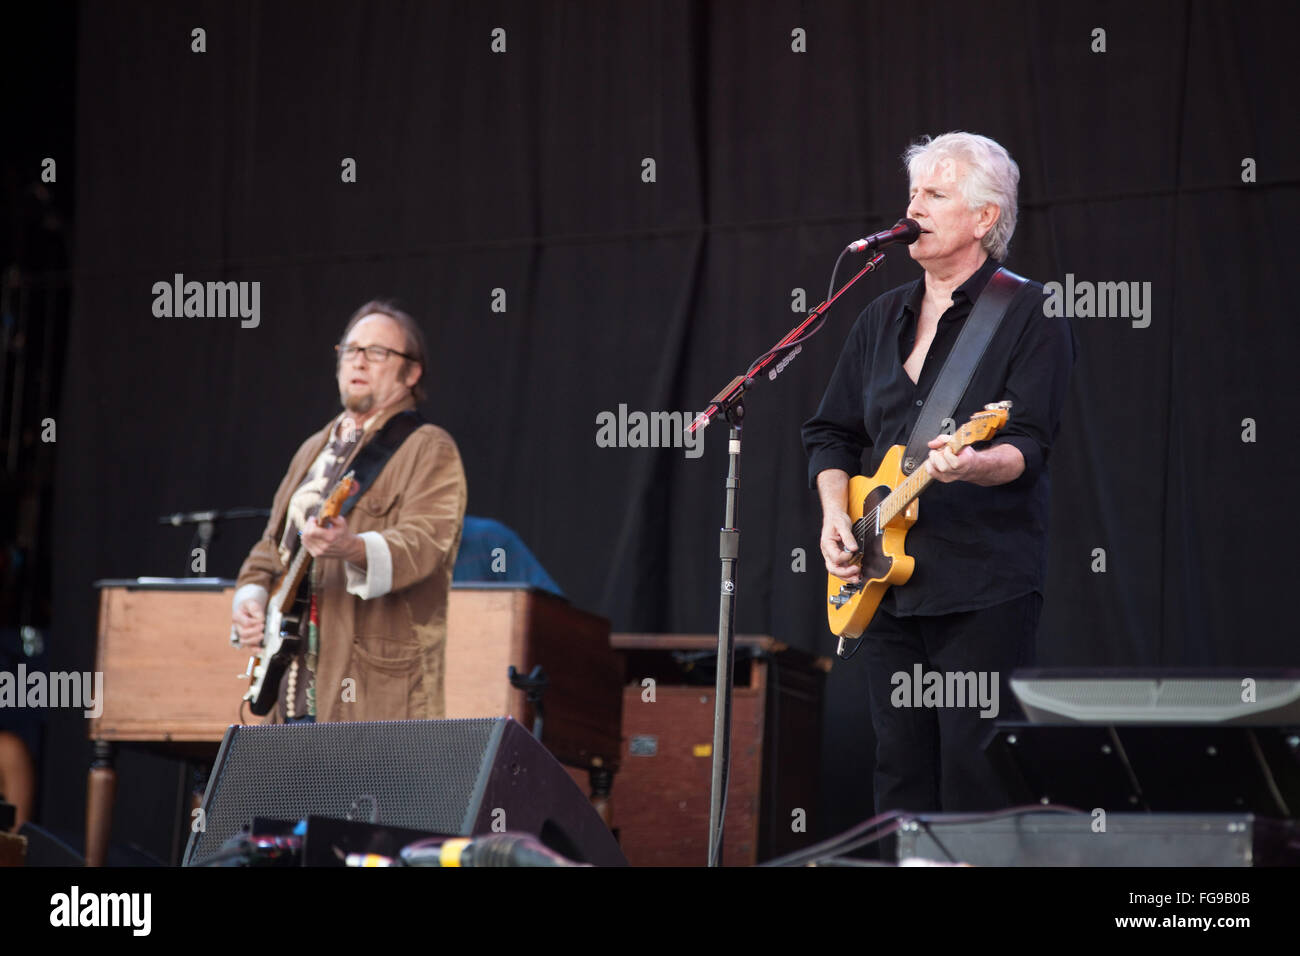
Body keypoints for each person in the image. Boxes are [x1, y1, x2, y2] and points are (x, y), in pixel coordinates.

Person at [802, 132, 1077, 813]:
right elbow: (831, 433)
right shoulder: (878, 316)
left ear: (984, 218)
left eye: (934, 194)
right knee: (899, 774)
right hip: (885, 583)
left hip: (982, 585)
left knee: (976, 770)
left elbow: (1028, 446)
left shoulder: (1030, 312)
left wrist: (974, 463)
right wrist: (837, 515)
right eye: (912, 193)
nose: (912, 207)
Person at [231, 301, 467, 724]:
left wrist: (352, 546)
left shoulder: (428, 447)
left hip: (370, 693)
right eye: (351, 350)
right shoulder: (312, 448)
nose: (358, 360)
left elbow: (425, 545)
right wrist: (251, 599)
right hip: (289, 689)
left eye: (377, 352)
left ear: (411, 373)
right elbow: (270, 549)